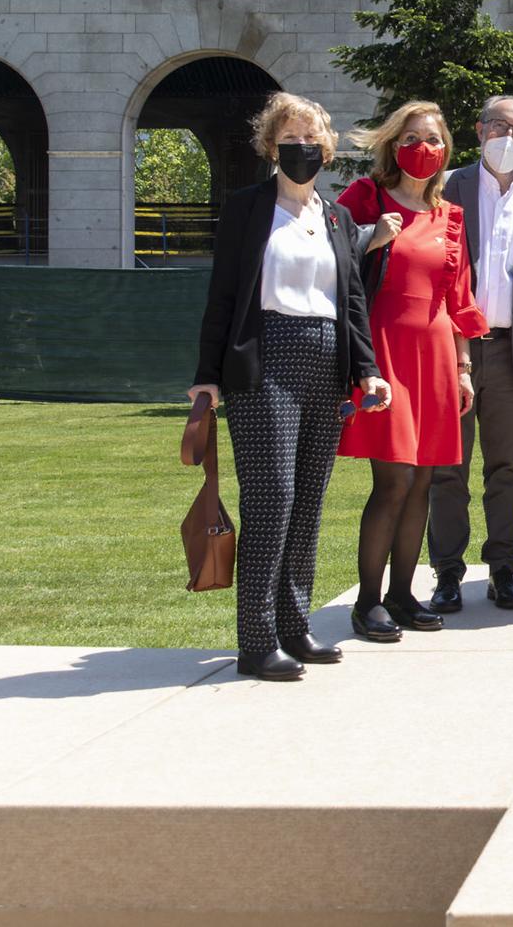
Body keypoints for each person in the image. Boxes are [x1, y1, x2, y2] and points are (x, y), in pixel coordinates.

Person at [189, 92, 389, 681]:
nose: (302, 148)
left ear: (326, 149)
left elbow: (351, 300)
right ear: (271, 146)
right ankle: (256, 639)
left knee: (307, 503)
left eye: (312, 139)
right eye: (290, 139)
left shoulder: (336, 218)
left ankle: (296, 625)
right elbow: (223, 294)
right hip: (263, 361)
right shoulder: (248, 209)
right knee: (271, 500)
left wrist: (367, 368)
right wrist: (207, 377)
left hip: (324, 360)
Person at [335, 101, 488, 642]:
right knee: (394, 477)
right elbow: (324, 256)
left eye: (434, 138)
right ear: (393, 144)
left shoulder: (450, 214)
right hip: (382, 351)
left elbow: (457, 296)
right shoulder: (364, 197)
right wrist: (370, 236)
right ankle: (368, 601)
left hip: (438, 358)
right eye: (413, 137)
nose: (424, 148)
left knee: (424, 477)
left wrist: (465, 366)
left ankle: (402, 595)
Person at [423, 95, 513, 615]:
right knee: (447, 470)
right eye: (499, 126)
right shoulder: (445, 189)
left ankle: (503, 570)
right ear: (479, 131)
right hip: (450, 355)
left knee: (506, 468)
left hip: (511, 353)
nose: (509, 137)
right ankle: (447, 574)